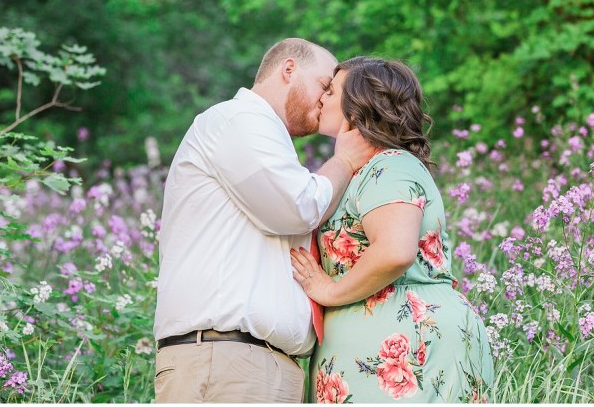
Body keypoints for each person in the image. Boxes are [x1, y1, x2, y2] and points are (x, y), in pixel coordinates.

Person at [153, 38, 376, 403]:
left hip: (254, 364)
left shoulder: (265, 138)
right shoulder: (237, 119)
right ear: (289, 69)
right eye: (324, 85)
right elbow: (297, 206)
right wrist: (345, 162)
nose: (326, 100)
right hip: (227, 359)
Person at [291, 56, 495, 403]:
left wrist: (330, 291)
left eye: (331, 90)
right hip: (373, 350)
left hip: (409, 345)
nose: (322, 97)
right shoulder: (362, 171)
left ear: (358, 106)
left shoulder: (390, 165)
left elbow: (395, 251)